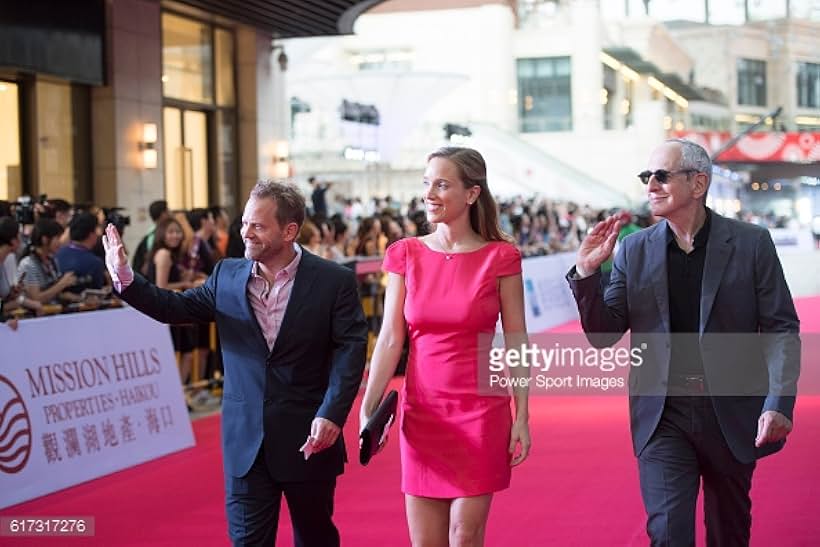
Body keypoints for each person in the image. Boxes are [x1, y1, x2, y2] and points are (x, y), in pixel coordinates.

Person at [102, 180, 368, 546]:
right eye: (244, 222)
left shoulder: (333, 281)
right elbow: (174, 308)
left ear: (289, 231)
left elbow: (350, 349)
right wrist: (126, 279)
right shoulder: (227, 275)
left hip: (309, 437)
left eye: (258, 226)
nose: (245, 233)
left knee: (315, 537)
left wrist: (332, 413)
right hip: (246, 443)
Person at [566, 139, 800, 546]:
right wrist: (587, 273)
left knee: (729, 531)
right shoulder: (633, 249)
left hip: (731, 410)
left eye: (661, 175)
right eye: (646, 177)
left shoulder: (751, 243)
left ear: (698, 183)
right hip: (662, 415)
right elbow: (604, 335)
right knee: (669, 533)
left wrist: (778, 403)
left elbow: (781, 327)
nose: (650, 185)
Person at [360, 147, 531, 547]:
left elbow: (517, 339)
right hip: (423, 413)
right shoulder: (404, 254)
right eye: (426, 184)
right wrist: (368, 407)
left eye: (442, 184)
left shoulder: (501, 258)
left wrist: (522, 412)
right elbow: (389, 337)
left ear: (472, 194)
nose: (430, 194)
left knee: (465, 535)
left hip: (481, 413)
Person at [55, 212, 108, 294]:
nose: (99, 234)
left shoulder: (56, 254)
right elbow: (98, 293)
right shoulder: (94, 262)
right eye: (97, 229)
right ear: (91, 234)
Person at [132, 200, 170, 275]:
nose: (170, 213)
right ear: (163, 214)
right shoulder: (153, 234)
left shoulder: (152, 231)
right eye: (168, 210)